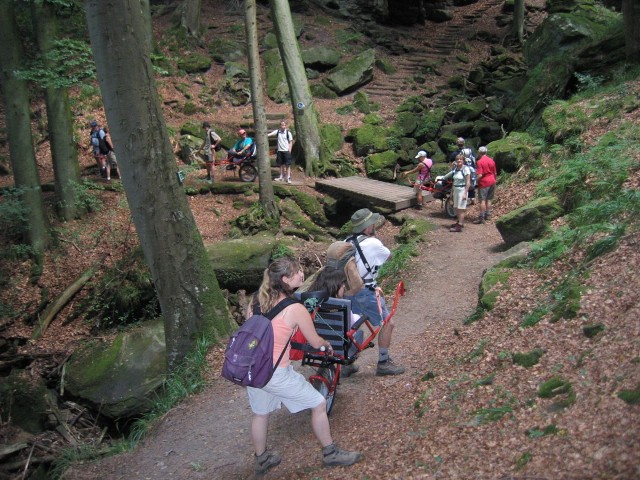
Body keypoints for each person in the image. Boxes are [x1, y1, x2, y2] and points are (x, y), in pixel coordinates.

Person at [246, 257, 363, 475]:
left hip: (253, 370)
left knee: (260, 414)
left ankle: (261, 459)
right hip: (275, 373)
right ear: (285, 279)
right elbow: (315, 341)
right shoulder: (295, 308)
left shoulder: (254, 301)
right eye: (298, 272)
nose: (302, 274)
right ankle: (331, 453)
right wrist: (325, 345)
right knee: (318, 403)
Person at [343, 209, 405, 376]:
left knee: (353, 325)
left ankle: (346, 363)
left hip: (348, 292)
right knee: (387, 323)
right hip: (366, 292)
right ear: (367, 226)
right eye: (372, 223)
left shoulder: (346, 241)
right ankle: (383, 363)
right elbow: (389, 256)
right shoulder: (373, 243)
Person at [307, 267, 364, 377]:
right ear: (335, 286)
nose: (344, 286)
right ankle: (348, 365)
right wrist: (358, 317)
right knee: (358, 330)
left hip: (313, 344)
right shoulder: (342, 306)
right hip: (339, 347)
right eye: (342, 284)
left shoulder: (310, 301)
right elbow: (353, 322)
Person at [436, 154, 471, 232]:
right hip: (455, 189)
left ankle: (460, 225)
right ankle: (459, 222)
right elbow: (453, 182)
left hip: (462, 190)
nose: (459, 161)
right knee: (455, 207)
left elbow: (468, 182)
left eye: (460, 159)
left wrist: (465, 193)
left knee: (460, 208)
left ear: (463, 160)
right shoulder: (456, 169)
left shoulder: (466, 169)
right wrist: (451, 195)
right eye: (457, 159)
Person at [448, 137, 477, 204]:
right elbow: (474, 161)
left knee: (459, 183)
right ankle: (472, 198)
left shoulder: (455, 153)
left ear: (457, 144)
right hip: (470, 170)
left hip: (460, 171)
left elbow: (450, 164)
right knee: (470, 183)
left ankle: (458, 198)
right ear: (464, 143)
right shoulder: (470, 151)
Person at [473, 146, 497, 224]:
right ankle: (488, 215)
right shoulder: (491, 160)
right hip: (492, 181)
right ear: (486, 152)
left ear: (479, 152)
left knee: (482, 200)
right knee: (489, 199)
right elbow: (495, 173)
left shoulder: (479, 162)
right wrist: (494, 180)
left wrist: (475, 181)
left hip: (484, 182)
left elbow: (480, 175)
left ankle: (481, 217)